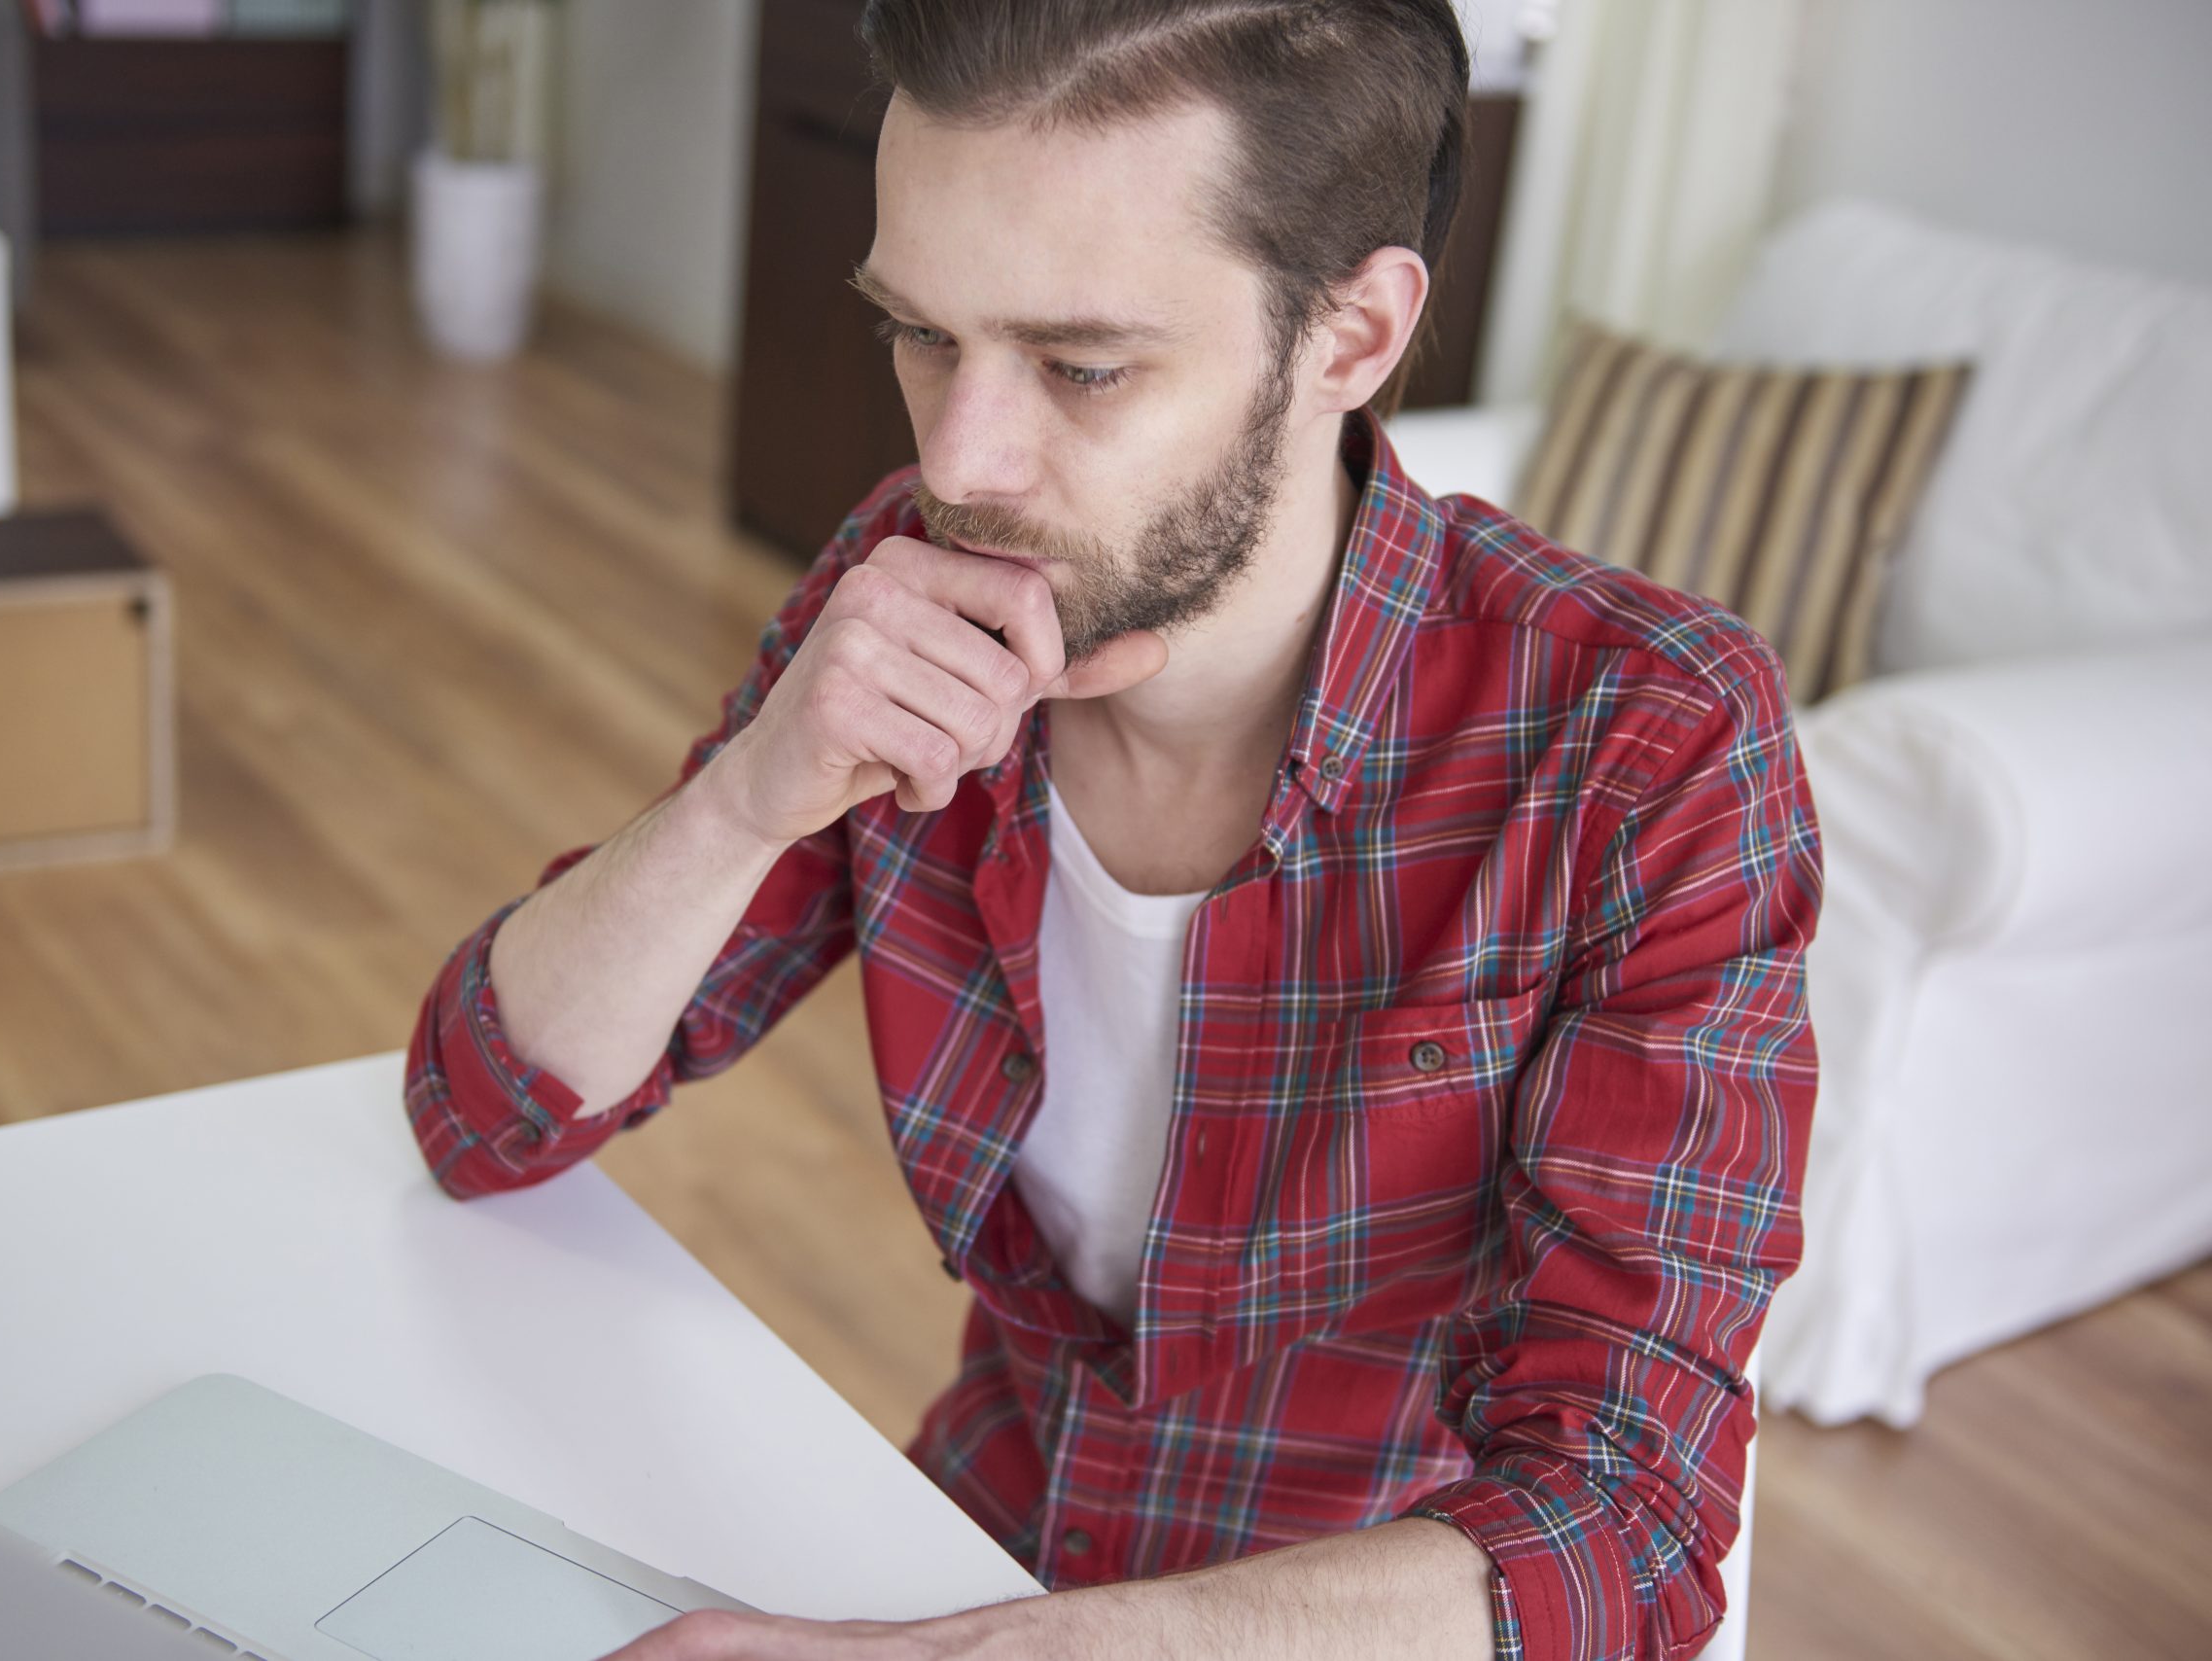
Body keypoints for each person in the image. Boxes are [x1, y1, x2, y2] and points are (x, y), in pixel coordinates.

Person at [404, 3, 1821, 1656]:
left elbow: (1625, 1531)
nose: (960, 457)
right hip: (990, 1537)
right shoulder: (914, 583)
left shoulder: (1646, 743)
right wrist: (746, 798)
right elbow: (481, 1106)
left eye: (1081, 366)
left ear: (1351, 336)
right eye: (920, 334)